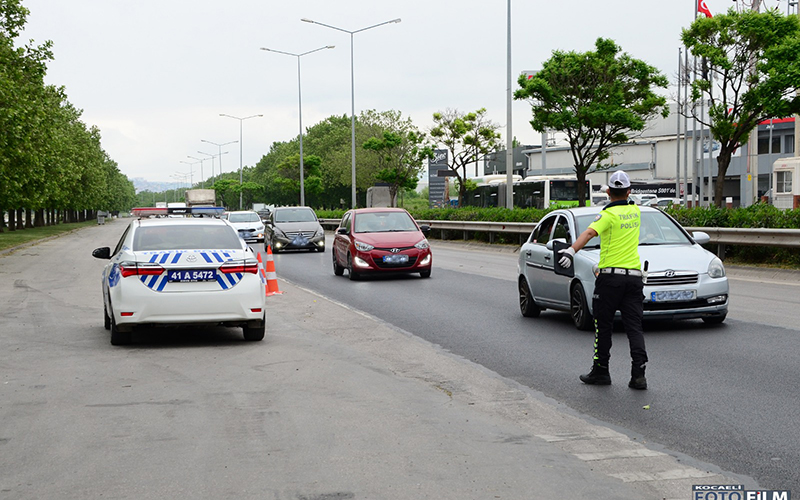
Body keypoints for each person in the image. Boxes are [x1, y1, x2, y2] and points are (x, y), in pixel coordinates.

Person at [558, 170, 648, 390]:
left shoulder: (607, 215)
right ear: (628, 191)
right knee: (634, 327)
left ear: (608, 192)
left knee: (603, 326)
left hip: (610, 279)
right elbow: (629, 200)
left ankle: (601, 371)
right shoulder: (635, 211)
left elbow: (589, 233)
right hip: (634, 278)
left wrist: (571, 250)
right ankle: (639, 375)